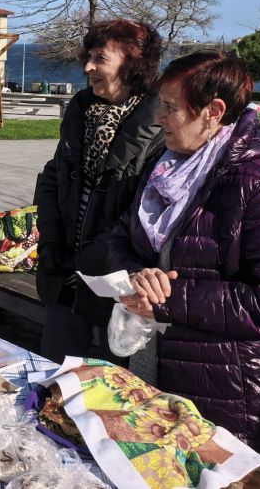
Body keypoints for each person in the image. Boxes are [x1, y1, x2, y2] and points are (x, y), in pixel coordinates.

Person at [108, 52, 260, 472]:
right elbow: (119, 236)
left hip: (233, 395)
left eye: (170, 107)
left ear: (213, 112)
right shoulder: (163, 167)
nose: (158, 119)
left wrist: (167, 300)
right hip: (157, 368)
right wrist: (137, 273)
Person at [35, 19, 164, 364]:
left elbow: (144, 210)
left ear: (133, 62)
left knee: (108, 394)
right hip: (63, 280)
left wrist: (89, 259)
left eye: (100, 58)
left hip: (116, 288)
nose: (88, 67)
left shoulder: (159, 125)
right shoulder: (81, 112)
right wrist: (49, 243)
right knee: (55, 385)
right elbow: (52, 178)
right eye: (88, 57)